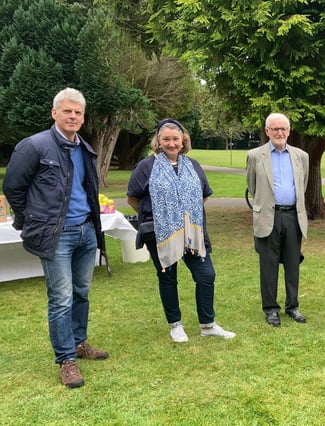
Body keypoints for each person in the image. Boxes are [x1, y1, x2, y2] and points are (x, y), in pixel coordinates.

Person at [2, 88, 108, 388]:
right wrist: (30, 221)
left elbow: (87, 190)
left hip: (86, 231)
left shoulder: (84, 148)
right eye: (67, 111)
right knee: (60, 299)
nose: (73, 116)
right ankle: (66, 360)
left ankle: (79, 342)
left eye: (78, 112)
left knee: (81, 292)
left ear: (83, 117)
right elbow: (13, 188)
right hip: (57, 235)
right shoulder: (34, 146)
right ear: (55, 113)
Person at [127, 118, 235, 342]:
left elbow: (204, 194)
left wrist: (185, 212)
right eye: (166, 139)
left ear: (183, 140)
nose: (171, 143)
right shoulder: (146, 167)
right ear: (158, 140)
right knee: (168, 278)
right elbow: (133, 198)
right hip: (161, 233)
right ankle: (175, 325)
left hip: (192, 232)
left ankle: (208, 324)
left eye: (175, 139)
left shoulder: (192, 165)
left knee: (206, 276)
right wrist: (163, 215)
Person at [246, 113, 309, 327]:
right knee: (269, 265)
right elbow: (253, 187)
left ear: (289, 131)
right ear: (267, 131)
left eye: (283, 129)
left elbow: (303, 185)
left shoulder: (301, 156)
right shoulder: (255, 156)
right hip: (268, 217)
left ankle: (293, 306)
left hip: (292, 216)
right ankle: (271, 309)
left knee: (293, 264)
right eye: (275, 129)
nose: (280, 133)